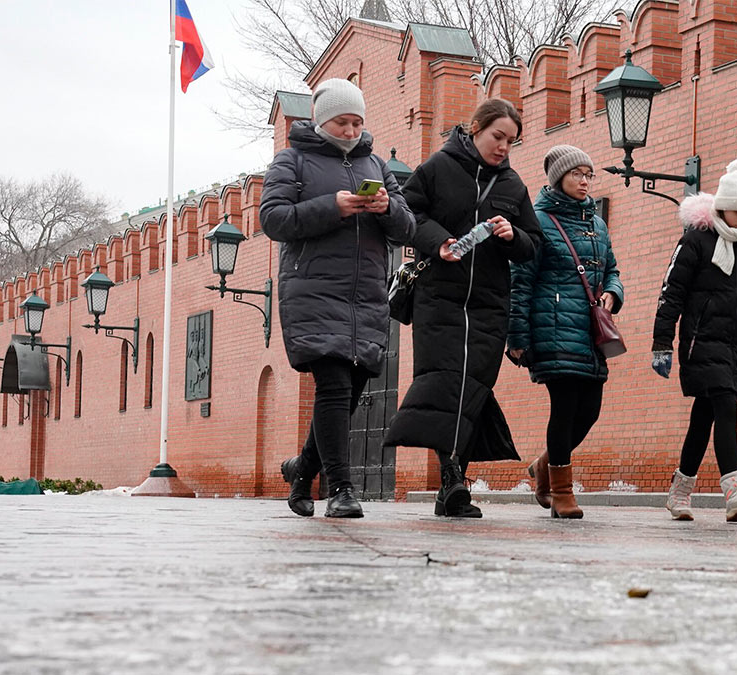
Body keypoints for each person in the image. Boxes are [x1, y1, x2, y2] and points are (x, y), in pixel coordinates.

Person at [260, 78, 415, 519]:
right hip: (312, 290)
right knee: (333, 386)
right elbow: (273, 219)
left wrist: (386, 208)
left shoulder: (377, 165)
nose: (351, 131)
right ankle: (342, 489)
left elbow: (407, 229)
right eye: (343, 122)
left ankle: (302, 468)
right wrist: (334, 206)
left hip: (365, 295)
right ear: (322, 119)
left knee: (349, 393)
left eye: (357, 122)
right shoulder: (292, 161)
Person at [384, 99, 542, 518]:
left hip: (489, 306)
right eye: (498, 136)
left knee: (473, 388)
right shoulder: (437, 168)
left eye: (511, 140)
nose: (504, 147)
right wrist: (438, 242)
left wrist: (512, 236)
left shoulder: (513, 187)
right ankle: (452, 478)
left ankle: (455, 478)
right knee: (443, 384)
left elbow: (534, 246)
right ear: (475, 129)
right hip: (439, 299)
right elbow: (407, 214)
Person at [651, 159, 737, 523]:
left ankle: (680, 491)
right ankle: (735, 490)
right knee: (725, 405)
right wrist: (662, 342)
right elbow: (672, 292)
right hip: (701, 342)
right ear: (722, 206)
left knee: (703, 417)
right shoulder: (696, 240)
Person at [507, 145, 624, 519]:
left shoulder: (597, 224)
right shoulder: (538, 221)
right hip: (551, 326)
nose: (585, 181)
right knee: (565, 406)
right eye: (577, 174)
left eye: (589, 174)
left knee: (590, 410)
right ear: (559, 177)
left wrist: (612, 292)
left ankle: (544, 465)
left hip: (589, 333)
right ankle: (561, 493)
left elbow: (612, 270)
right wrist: (517, 337)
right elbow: (520, 281)